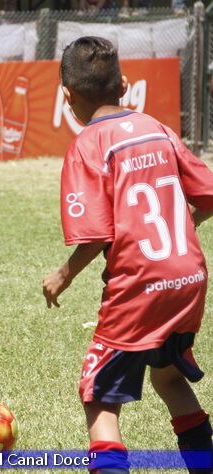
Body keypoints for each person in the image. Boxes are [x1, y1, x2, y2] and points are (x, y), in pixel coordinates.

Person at [42, 36, 213, 473]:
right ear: (125, 86)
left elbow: (97, 234)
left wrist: (63, 274)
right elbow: (208, 195)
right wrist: (185, 223)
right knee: (169, 377)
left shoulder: (88, 145)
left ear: (67, 96)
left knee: (99, 396)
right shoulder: (159, 128)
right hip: (188, 277)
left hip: (140, 285)